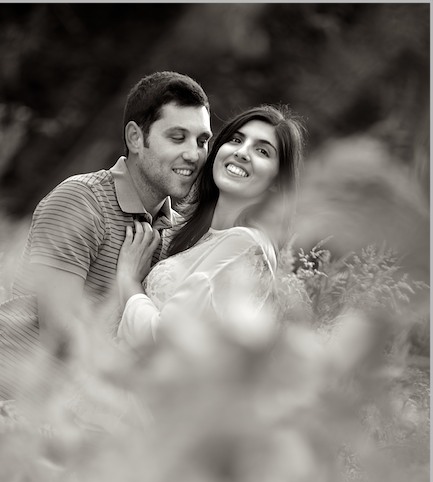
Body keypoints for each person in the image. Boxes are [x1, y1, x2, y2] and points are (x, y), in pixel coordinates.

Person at [0, 71, 212, 401]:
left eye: (202, 140)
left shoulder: (178, 236)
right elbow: (58, 331)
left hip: (68, 424)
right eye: (177, 137)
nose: (194, 154)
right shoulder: (81, 201)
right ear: (135, 138)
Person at [115, 105, 305, 349]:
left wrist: (129, 281)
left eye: (262, 151)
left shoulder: (246, 245)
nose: (242, 153)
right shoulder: (200, 234)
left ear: (277, 183)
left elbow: (163, 340)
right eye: (236, 140)